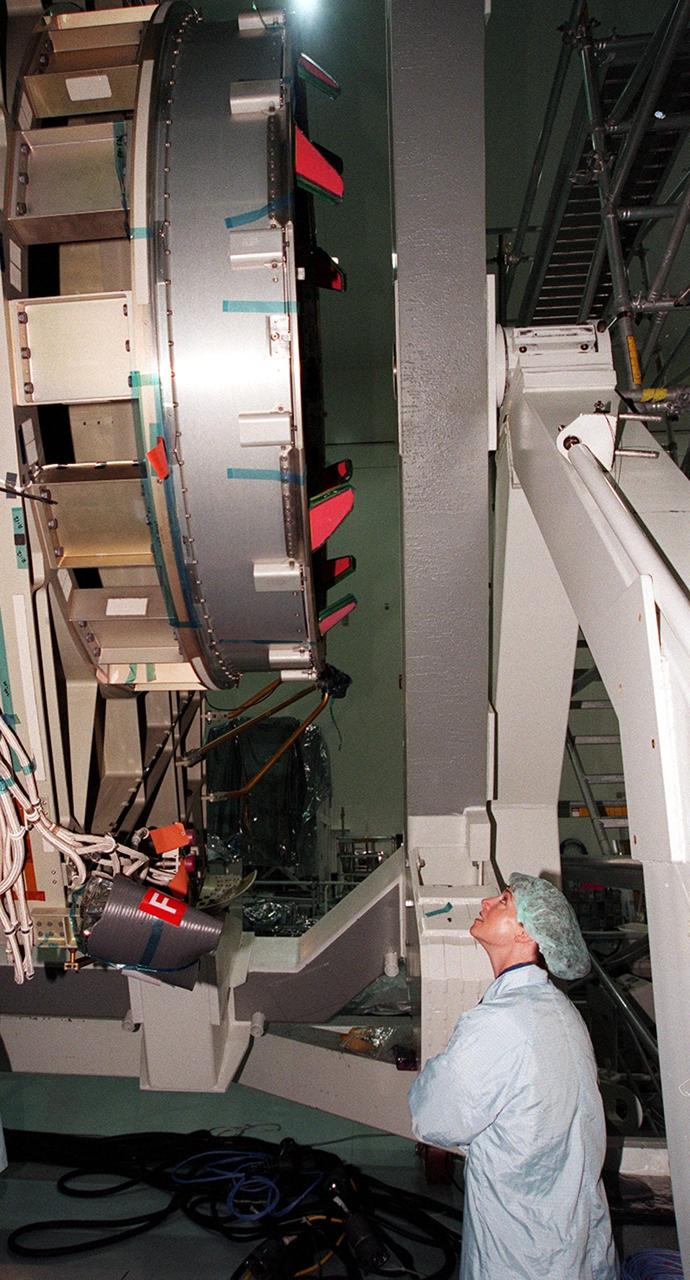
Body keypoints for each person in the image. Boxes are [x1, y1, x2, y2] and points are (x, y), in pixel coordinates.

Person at [408, 872, 619, 1280]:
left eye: (503, 901)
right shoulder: (558, 1010)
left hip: (522, 1253)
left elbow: (432, 1119)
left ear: (527, 934)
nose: (486, 902)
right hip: (570, 1241)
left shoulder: (500, 1023)